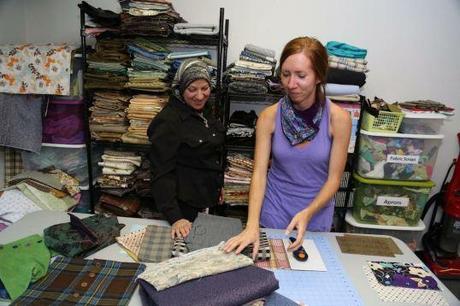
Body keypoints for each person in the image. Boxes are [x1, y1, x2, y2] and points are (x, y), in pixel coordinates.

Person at [224, 36, 351, 257]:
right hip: (273, 212)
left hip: (315, 215)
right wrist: (252, 224)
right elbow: (259, 174)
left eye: (301, 76)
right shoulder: (268, 117)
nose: (291, 84)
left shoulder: (339, 120)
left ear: (318, 76)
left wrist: (308, 213)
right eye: (285, 74)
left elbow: (334, 180)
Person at [147, 59, 225, 239]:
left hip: (207, 201)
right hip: (183, 209)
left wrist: (218, 184)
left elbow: (209, 155)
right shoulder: (169, 120)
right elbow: (161, 173)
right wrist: (175, 217)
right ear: (181, 89)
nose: (199, 96)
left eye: (204, 88)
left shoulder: (205, 111)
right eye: (192, 89)